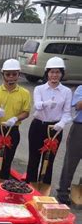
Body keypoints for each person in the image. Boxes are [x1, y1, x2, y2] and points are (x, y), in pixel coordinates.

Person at [25, 57, 72, 186]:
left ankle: (44, 187)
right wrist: (46, 103)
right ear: (47, 73)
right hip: (38, 126)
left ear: (62, 74)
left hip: (55, 128)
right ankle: (30, 186)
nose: (54, 75)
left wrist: (62, 123)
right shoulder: (39, 89)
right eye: (51, 72)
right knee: (34, 158)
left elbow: (67, 113)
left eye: (57, 72)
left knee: (49, 160)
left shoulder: (66, 91)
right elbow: (37, 106)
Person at [0, 59, 30, 180]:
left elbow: (26, 112)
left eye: (14, 74)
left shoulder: (25, 93)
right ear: (3, 75)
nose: (11, 77)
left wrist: (15, 118)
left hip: (12, 130)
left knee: (7, 161)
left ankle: (3, 186)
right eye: (8, 74)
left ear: (19, 75)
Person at [57, 84, 82, 205]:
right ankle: (63, 191)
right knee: (71, 161)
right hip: (79, 128)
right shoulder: (81, 88)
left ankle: (79, 192)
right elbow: (78, 105)